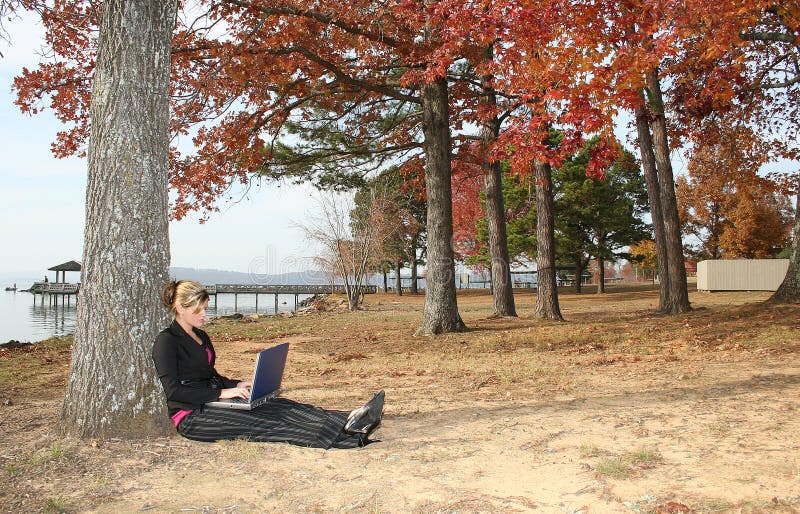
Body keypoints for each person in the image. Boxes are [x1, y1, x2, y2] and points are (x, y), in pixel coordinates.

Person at [152, 280, 383, 449]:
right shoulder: (167, 341)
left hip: (213, 400)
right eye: (198, 309)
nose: (205, 314)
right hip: (192, 415)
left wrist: (238, 384)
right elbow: (174, 391)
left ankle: (352, 418)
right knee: (262, 423)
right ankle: (345, 437)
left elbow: (211, 375)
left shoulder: (201, 336)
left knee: (277, 405)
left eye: (205, 307)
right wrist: (223, 393)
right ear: (180, 308)